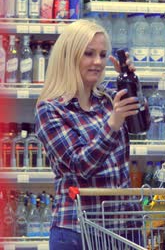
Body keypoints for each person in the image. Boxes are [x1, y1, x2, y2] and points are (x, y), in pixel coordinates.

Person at [35, 19, 145, 250]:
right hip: (78, 231)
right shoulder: (51, 109)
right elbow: (81, 165)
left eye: (103, 54)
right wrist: (112, 125)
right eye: (88, 53)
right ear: (69, 56)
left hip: (125, 229)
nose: (98, 62)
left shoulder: (108, 99)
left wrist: (133, 85)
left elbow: (141, 126)